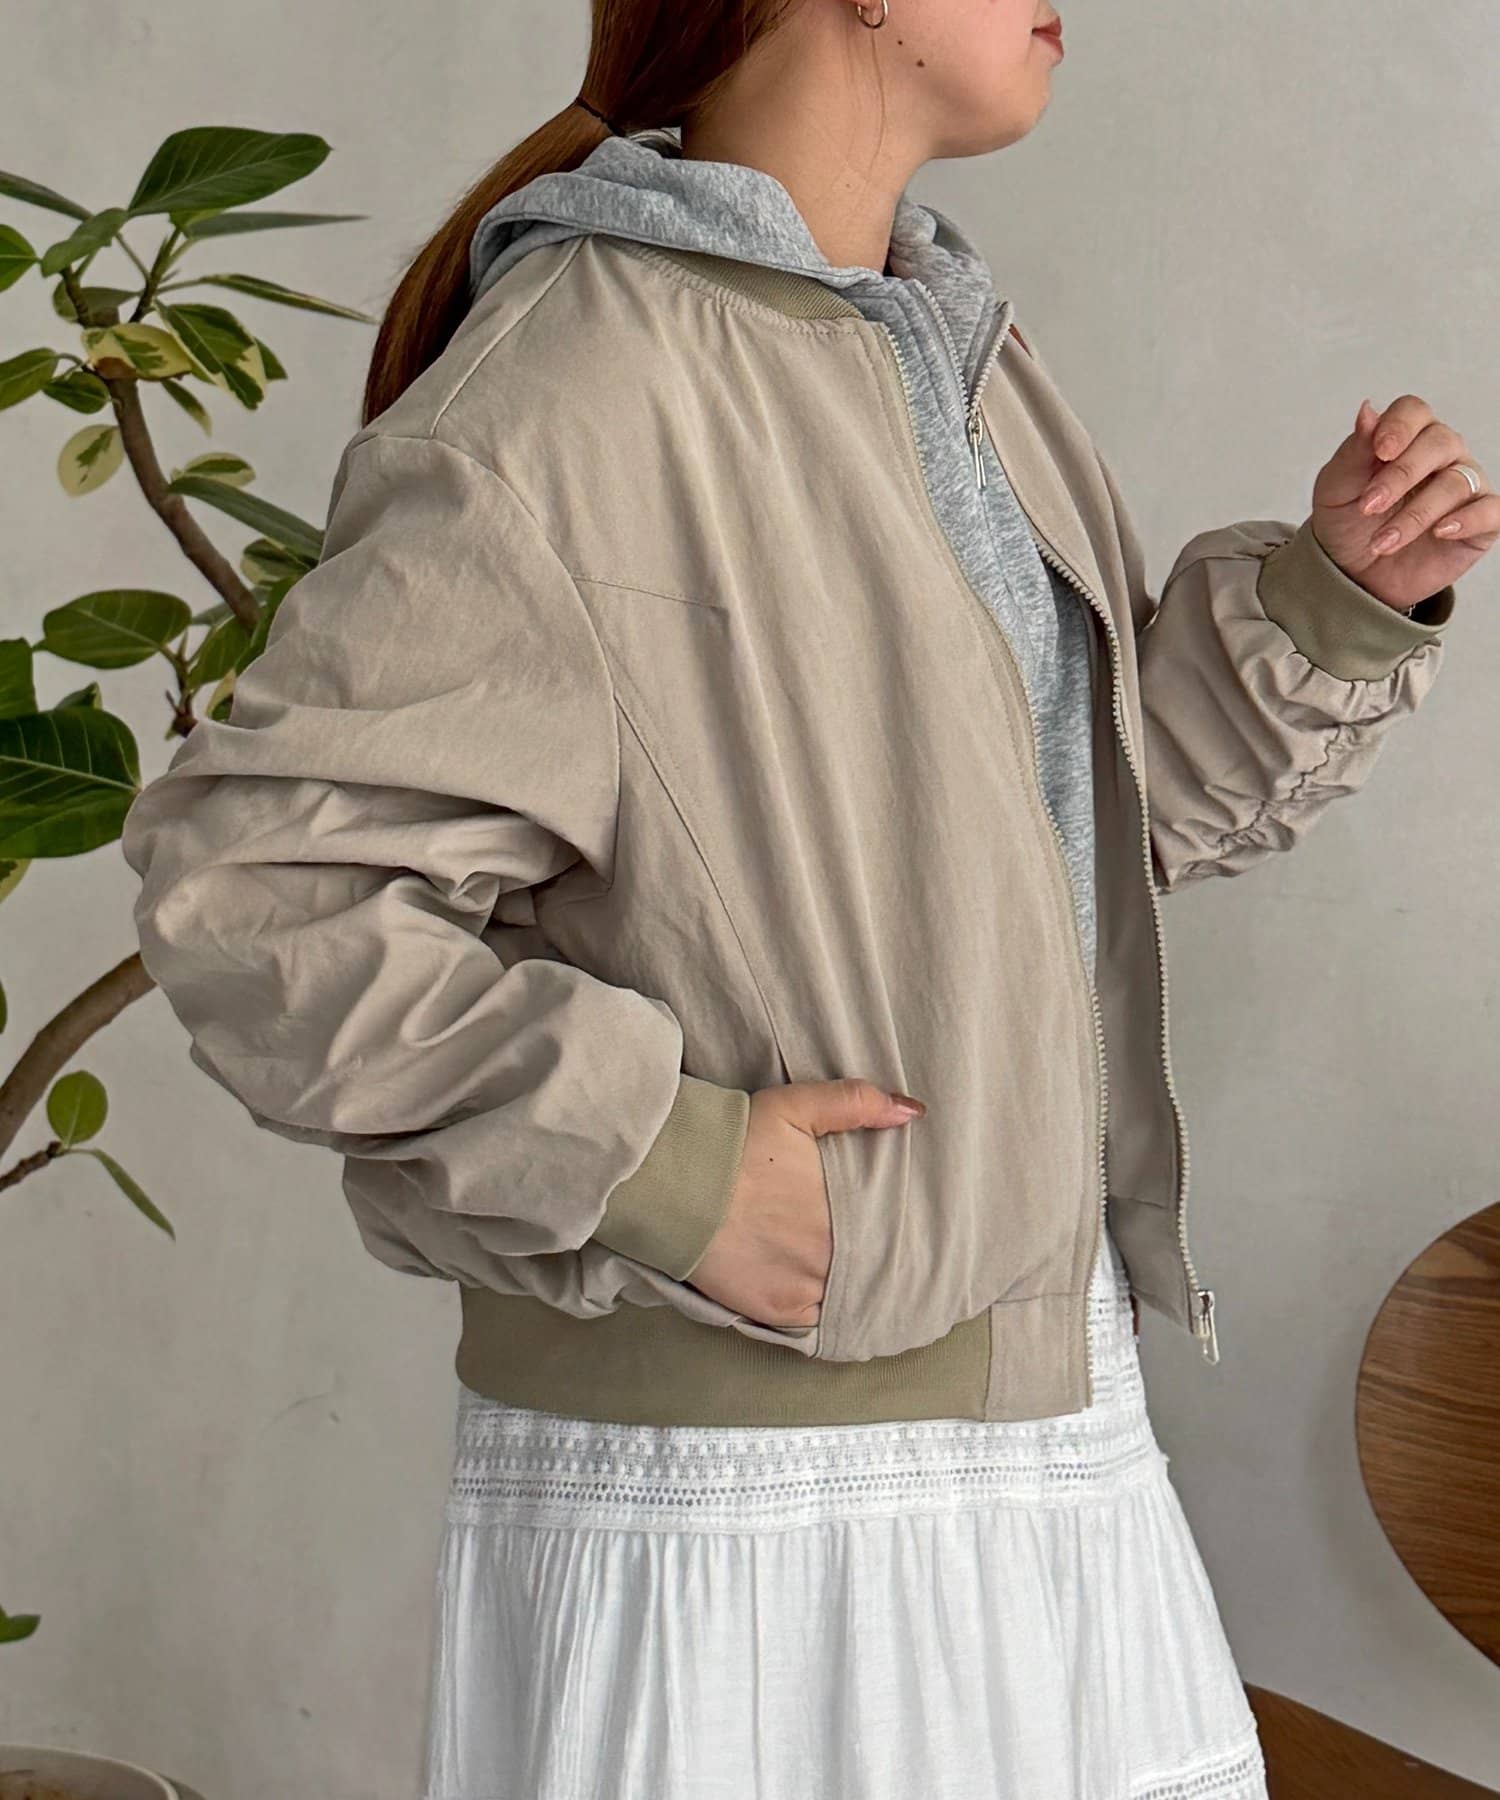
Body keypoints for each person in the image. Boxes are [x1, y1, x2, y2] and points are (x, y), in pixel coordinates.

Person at [120, 0, 1485, 1794]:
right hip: (766, 1527)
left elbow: (1024, 859)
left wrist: (1327, 607)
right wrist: (667, 1168)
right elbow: (263, 897)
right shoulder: (577, 386)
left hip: (1046, 1443)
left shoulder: (947, 351)